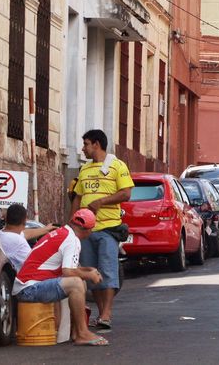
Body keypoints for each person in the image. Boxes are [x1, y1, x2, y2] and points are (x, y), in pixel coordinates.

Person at [12, 208, 109, 346]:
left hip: (27, 285)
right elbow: (68, 272)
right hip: (29, 289)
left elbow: (67, 268)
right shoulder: (72, 240)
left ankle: (76, 332)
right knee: (76, 283)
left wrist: (89, 270)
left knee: (80, 281)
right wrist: (89, 275)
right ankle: (82, 333)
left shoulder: (63, 233)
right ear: (88, 230)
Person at [70, 129, 133, 330]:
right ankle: (101, 313)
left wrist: (101, 202)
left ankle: (107, 313)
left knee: (107, 271)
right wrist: (72, 225)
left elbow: (126, 194)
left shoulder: (117, 166)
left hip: (108, 228)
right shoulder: (84, 169)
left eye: (86, 144)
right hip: (85, 230)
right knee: (90, 273)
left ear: (96, 144)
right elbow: (77, 198)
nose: (83, 149)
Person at [0, 204, 56, 271]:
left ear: (6, 218)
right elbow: (36, 264)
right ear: (25, 221)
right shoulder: (18, 241)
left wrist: (46, 229)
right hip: (25, 279)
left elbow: (25, 233)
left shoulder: (1, 233)